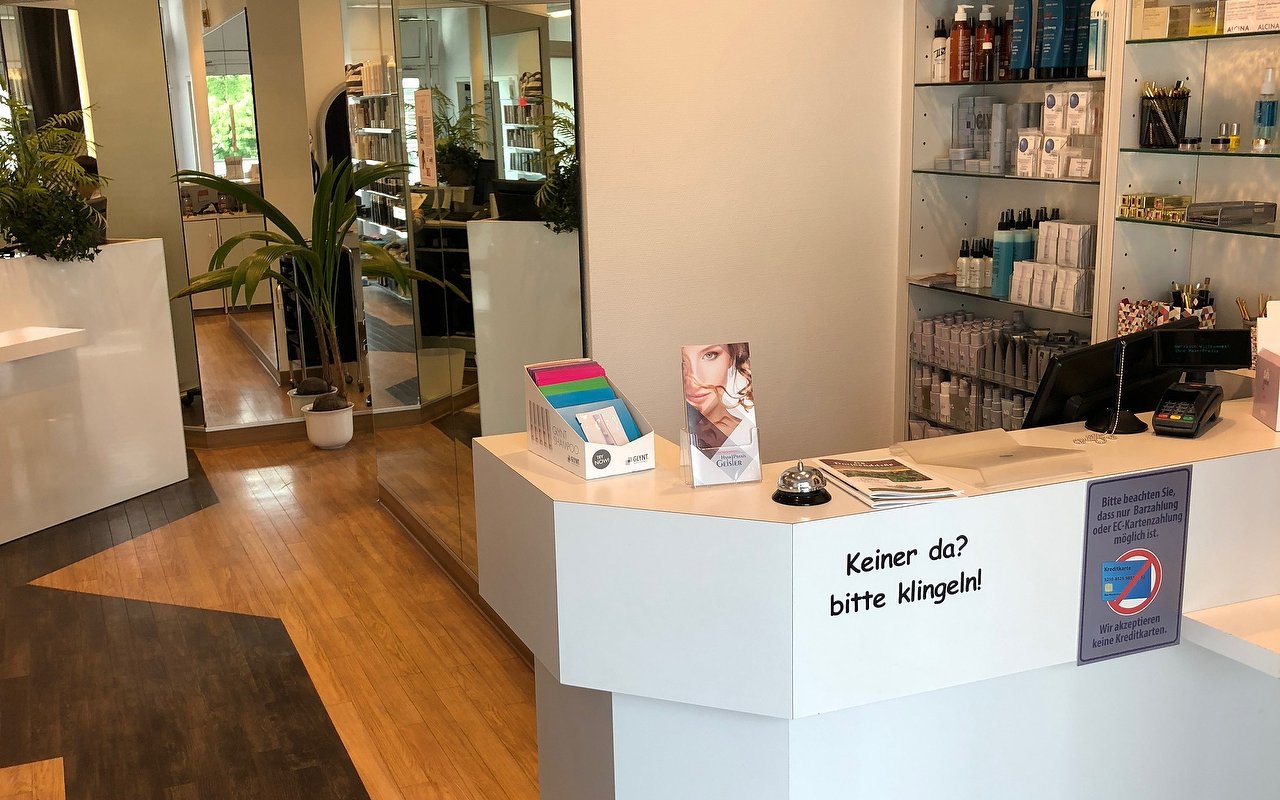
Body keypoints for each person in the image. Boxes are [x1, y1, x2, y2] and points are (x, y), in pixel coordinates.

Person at [681, 342, 755, 452]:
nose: (694, 382)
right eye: (682, 362)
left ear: (731, 358)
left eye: (709, 355)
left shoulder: (746, 431)